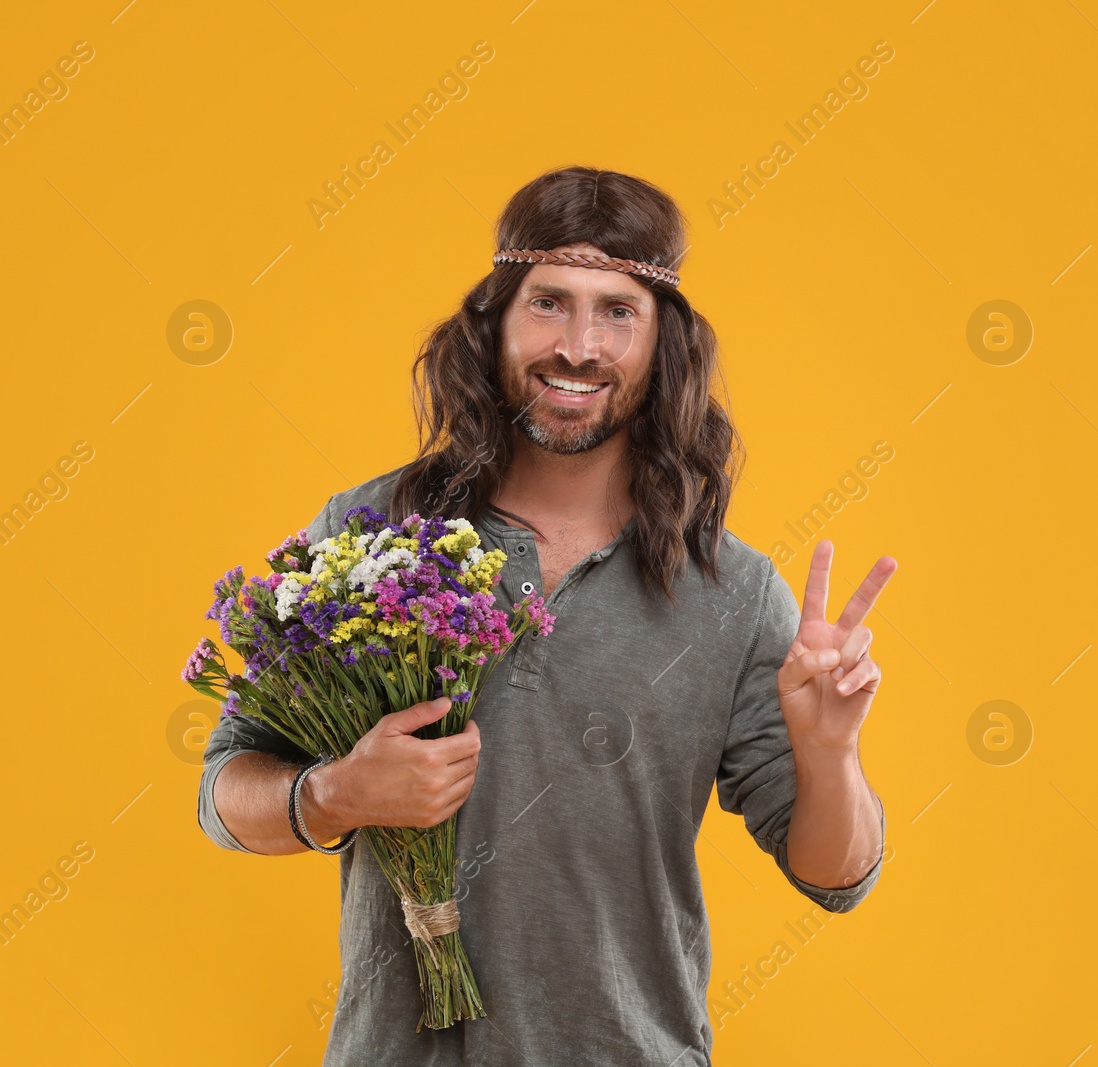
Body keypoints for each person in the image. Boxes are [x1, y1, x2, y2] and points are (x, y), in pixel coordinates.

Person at [197, 166, 894, 1066]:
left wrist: (832, 751)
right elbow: (224, 789)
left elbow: (836, 876)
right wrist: (332, 794)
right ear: (493, 321)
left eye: (617, 311)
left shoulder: (733, 588)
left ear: (662, 342)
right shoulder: (368, 536)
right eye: (549, 303)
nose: (578, 346)